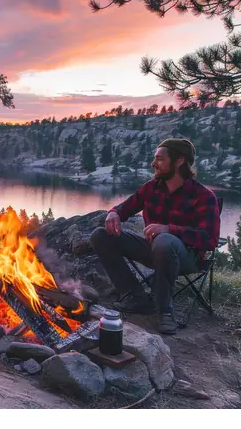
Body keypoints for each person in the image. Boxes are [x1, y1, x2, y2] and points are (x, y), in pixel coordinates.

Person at [90, 138, 220, 335]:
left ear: (179, 161)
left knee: (164, 241)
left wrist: (170, 229)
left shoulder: (204, 196)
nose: (153, 163)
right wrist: (114, 212)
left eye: (159, 159)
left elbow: (209, 239)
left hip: (187, 258)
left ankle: (165, 311)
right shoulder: (152, 187)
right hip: (153, 250)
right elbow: (128, 206)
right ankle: (136, 297)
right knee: (101, 236)